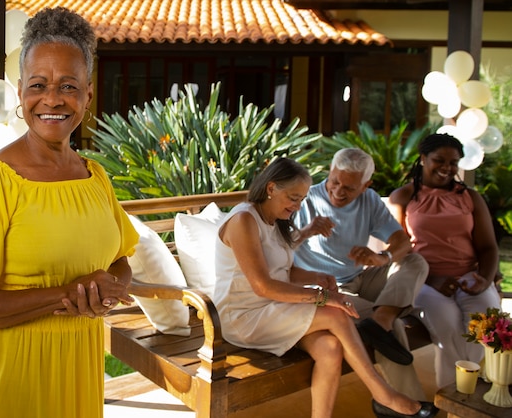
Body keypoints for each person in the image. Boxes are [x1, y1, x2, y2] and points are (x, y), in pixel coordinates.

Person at [0, 8, 139, 418]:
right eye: (39, 85)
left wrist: (103, 291)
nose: (53, 99)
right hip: (15, 373)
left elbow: (120, 263)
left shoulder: (94, 176)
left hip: (79, 362)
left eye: (68, 86)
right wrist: (67, 294)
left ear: (88, 95)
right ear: (21, 89)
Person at [212, 157, 437, 418]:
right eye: (294, 198)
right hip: (244, 316)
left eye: (301, 199)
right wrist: (324, 297)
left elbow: (284, 272)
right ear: (271, 188)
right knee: (335, 312)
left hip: (274, 311)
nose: (297, 206)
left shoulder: (274, 221)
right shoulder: (244, 220)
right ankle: (383, 394)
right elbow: (263, 286)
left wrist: (317, 276)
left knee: (330, 348)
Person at [293, 148, 429, 399]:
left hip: (359, 280)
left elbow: (403, 242)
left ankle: (380, 319)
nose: (337, 191)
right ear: (329, 172)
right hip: (324, 289)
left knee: (415, 262)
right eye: (335, 181)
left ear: (366, 185)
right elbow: (275, 248)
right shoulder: (305, 199)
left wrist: (382, 257)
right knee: (396, 328)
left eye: (349, 188)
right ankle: (407, 404)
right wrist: (306, 231)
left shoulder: (370, 200)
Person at [388, 133, 501, 388]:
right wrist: (433, 279)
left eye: (453, 163)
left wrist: (485, 279)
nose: (447, 168)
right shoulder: (402, 198)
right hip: (423, 280)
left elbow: (488, 247)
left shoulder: (471, 198)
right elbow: (400, 252)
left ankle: (465, 392)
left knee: (483, 324)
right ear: (423, 159)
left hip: (469, 278)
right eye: (439, 160)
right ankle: (452, 398)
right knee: (448, 326)